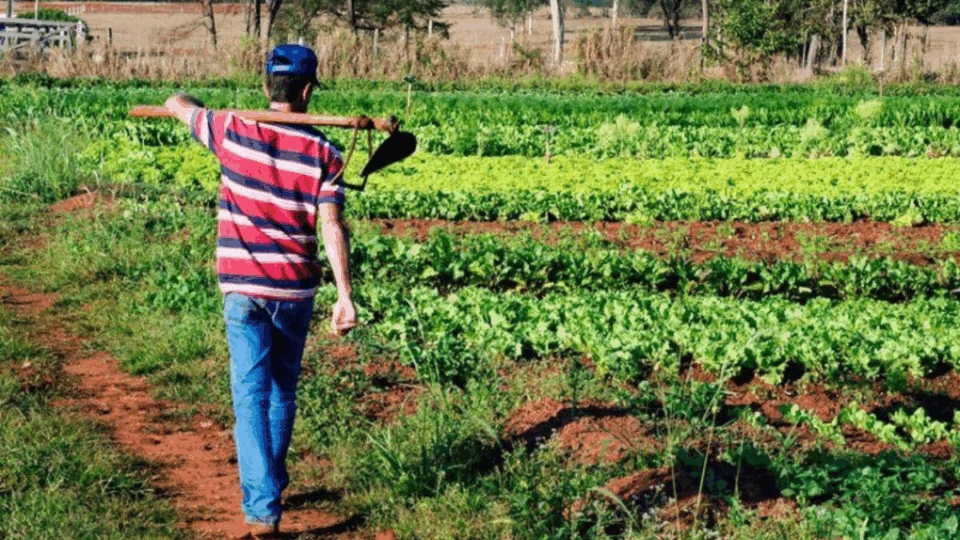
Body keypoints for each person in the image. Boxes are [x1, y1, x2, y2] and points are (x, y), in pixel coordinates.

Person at [164, 44, 357, 538]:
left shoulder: (229, 128)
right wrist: (344, 294)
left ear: (266, 87)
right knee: (281, 391)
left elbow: (175, 102)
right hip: (295, 288)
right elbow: (332, 224)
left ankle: (263, 509)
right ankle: (267, 487)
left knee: (251, 396)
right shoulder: (324, 151)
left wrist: (189, 102)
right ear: (309, 91)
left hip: (243, 287)